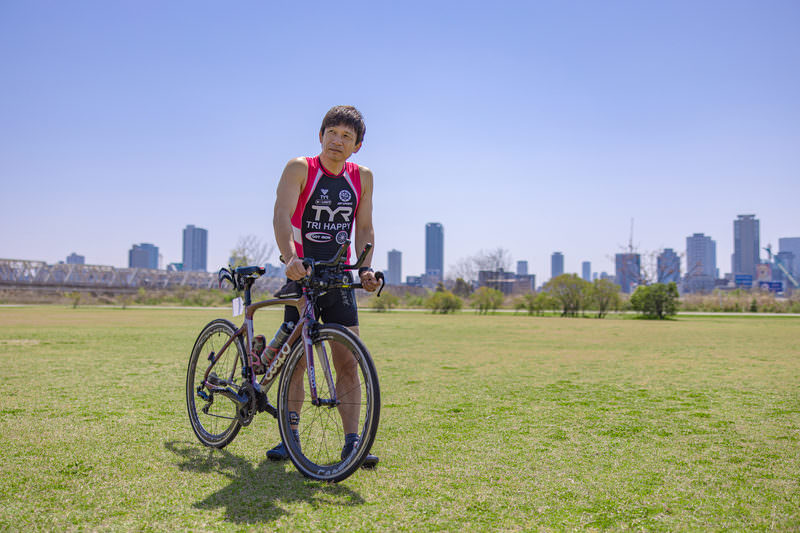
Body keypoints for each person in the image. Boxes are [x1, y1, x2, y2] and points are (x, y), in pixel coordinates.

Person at [268, 105, 380, 467]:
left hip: (338, 278)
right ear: (321, 135)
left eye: (346, 136)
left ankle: (352, 443)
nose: (337, 140)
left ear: (356, 146)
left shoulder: (362, 177)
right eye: (332, 132)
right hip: (301, 274)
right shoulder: (300, 168)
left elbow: (363, 228)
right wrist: (289, 260)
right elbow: (281, 216)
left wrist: (365, 269)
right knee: (298, 362)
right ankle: (290, 438)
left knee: (348, 360)